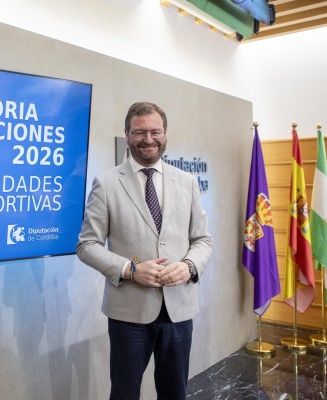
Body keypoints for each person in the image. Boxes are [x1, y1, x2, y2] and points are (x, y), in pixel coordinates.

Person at [77, 102, 213, 400]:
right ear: (127, 134)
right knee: (124, 393)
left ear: (165, 133)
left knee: (174, 392)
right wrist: (130, 269)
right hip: (129, 312)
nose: (148, 139)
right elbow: (86, 245)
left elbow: (203, 239)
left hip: (179, 310)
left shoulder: (187, 182)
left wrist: (189, 266)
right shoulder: (107, 183)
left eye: (155, 131)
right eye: (139, 132)